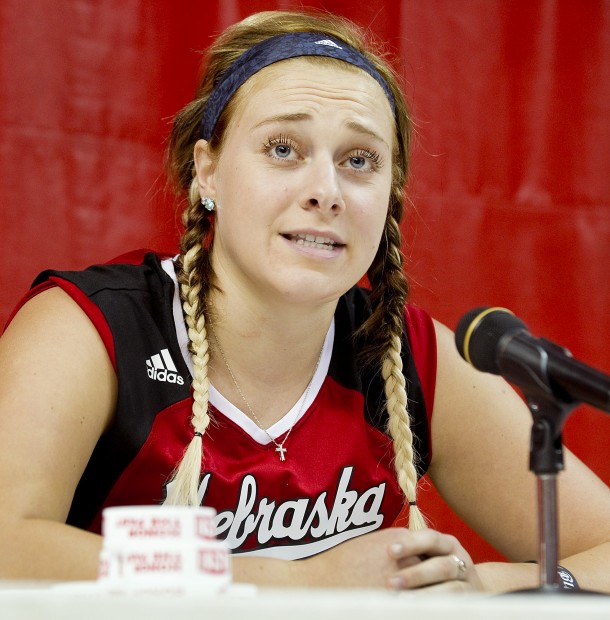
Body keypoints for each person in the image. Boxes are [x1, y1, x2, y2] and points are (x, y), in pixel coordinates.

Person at [1, 9, 609, 593]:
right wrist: (299, 584)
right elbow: (8, 543)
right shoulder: (90, 328)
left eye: (360, 160)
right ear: (206, 172)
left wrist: (491, 583)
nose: (326, 190)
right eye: (284, 149)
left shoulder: (405, 355)